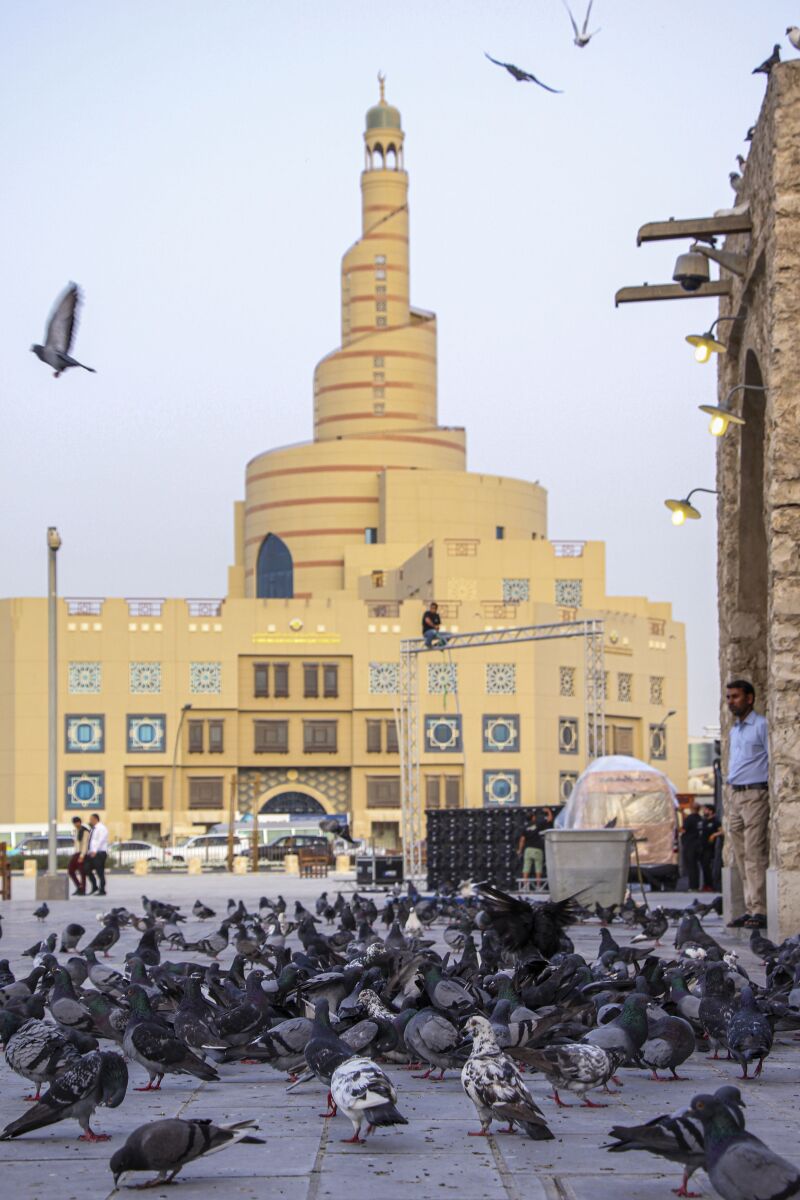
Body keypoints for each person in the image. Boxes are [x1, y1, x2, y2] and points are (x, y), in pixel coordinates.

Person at [725, 679, 769, 929]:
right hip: (736, 795)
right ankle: (750, 907)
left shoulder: (761, 726)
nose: (731, 701)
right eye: (729, 697)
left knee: (754, 853)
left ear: (750, 698)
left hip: (755, 794)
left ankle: (759, 909)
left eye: (736, 697)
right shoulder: (735, 730)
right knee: (740, 854)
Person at [517, 807, 553, 891]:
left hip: (528, 850)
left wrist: (519, 850)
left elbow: (522, 840)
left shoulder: (525, 828)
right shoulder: (538, 823)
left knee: (526, 868)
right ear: (533, 817)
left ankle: (525, 886)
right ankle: (538, 886)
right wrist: (549, 811)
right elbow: (550, 819)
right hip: (537, 849)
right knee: (538, 868)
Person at [84, 812, 110, 896]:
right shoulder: (93, 828)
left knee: (100, 872)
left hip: (99, 852)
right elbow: (92, 841)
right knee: (86, 868)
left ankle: (102, 889)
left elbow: (101, 840)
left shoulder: (102, 828)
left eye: (91, 819)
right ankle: (94, 886)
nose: (90, 821)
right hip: (92, 852)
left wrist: (95, 850)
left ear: (95, 819)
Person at [680, 802, 702, 891]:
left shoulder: (689, 818)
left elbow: (683, 829)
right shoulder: (700, 818)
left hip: (689, 844)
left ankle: (692, 886)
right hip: (698, 844)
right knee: (696, 866)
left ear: (691, 808)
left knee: (690, 866)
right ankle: (696, 885)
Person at [699, 804, 721, 892]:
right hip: (702, 847)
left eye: (706, 810)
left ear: (711, 811)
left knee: (708, 866)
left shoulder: (715, 821)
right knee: (704, 867)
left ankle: (711, 885)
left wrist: (714, 835)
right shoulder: (704, 821)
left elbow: (722, 831)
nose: (704, 811)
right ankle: (705, 885)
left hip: (710, 847)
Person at [68, 815, 91, 895]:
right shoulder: (76, 831)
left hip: (82, 854)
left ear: (80, 822)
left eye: (77, 823)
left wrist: (82, 856)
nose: (76, 824)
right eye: (74, 823)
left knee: (82, 873)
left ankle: (83, 890)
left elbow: (85, 844)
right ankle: (79, 887)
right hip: (76, 853)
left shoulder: (85, 831)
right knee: (71, 871)